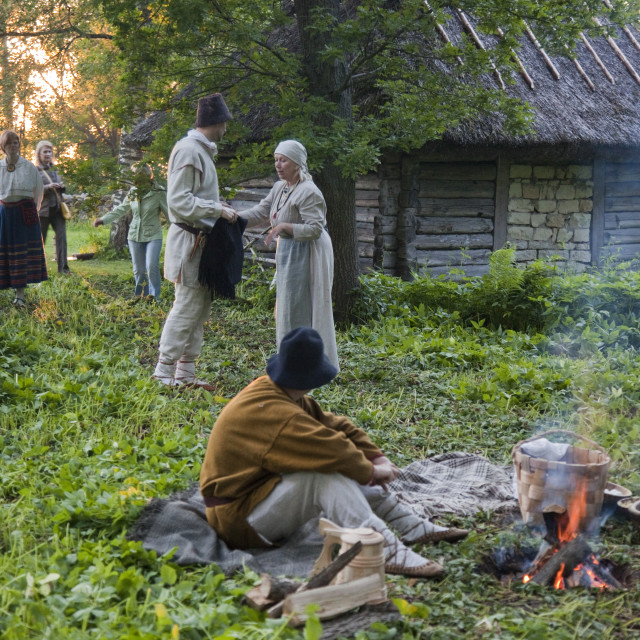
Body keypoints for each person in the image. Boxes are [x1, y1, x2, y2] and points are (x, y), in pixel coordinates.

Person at [200, 327, 468, 578]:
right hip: (237, 520)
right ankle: (380, 547)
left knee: (331, 467)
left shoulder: (278, 392)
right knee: (323, 476)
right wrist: (373, 471)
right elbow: (334, 449)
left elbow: (335, 425)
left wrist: (376, 456)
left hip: (254, 496)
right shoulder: (278, 413)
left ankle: (407, 525)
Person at [152, 93, 239, 387]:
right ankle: (163, 372)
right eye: (224, 123)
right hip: (189, 244)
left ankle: (185, 374)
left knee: (199, 310)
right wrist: (217, 209)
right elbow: (178, 203)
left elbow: (197, 197)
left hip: (201, 245)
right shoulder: (189, 151)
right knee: (187, 306)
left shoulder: (200, 151)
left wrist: (218, 205)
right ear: (216, 122)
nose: (226, 129)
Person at [239, 140, 339, 370]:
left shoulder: (309, 192)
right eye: (276, 160)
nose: (278, 165)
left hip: (308, 252)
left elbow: (316, 228)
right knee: (286, 305)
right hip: (289, 250)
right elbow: (261, 212)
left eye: (283, 160)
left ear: (297, 163)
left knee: (298, 305)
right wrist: (233, 218)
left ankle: (304, 363)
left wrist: (286, 228)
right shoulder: (280, 187)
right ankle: (291, 359)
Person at [94, 164, 168, 299]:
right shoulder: (133, 192)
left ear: (148, 177)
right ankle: (141, 297)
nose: (138, 183)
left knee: (152, 267)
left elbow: (170, 214)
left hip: (153, 235)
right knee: (139, 271)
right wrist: (103, 220)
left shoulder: (159, 192)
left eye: (141, 179)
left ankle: (154, 298)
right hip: (134, 235)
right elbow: (121, 209)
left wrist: (181, 228)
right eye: (136, 179)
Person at [0, 130, 47, 307]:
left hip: (24, 214)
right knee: (4, 253)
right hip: (4, 214)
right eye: (9, 143)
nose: (13, 146)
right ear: (3, 147)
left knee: (22, 255)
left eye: (16, 142)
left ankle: (19, 295)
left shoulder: (29, 167)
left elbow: (38, 192)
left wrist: (31, 211)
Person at [35, 140, 71, 275]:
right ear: (39, 153)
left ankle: (64, 269)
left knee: (62, 237)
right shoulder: (35, 171)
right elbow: (34, 190)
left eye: (50, 151)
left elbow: (61, 186)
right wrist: (48, 187)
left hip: (57, 209)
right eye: (45, 151)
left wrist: (61, 187)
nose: (48, 154)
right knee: (40, 239)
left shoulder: (56, 169)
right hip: (42, 210)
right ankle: (37, 269)